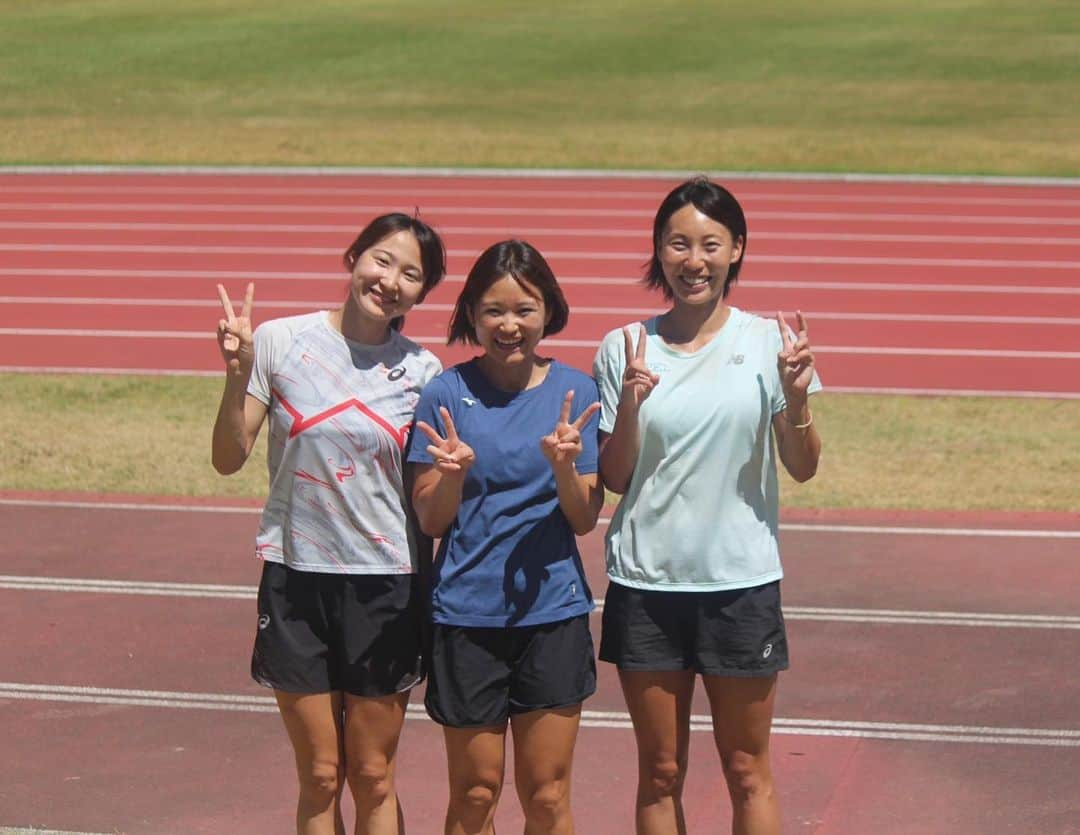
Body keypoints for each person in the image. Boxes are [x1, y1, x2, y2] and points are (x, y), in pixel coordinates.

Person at [592, 177, 822, 835]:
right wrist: (631, 404)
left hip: (739, 585)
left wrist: (797, 397)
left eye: (710, 244)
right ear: (659, 252)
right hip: (646, 585)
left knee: (748, 767)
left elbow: (803, 467)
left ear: (736, 249)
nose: (694, 260)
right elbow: (614, 476)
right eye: (678, 244)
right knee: (660, 770)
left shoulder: (767, 342)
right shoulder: (624, 346)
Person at [211, 212, 446, 835]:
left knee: (372, 774)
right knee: (319, 774)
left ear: (423, 294)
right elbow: (229, 458)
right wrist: (236, 379)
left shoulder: (425, 375)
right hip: (297, 579)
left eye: (411, 274)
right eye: (381, 259)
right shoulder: (282, 341)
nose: (389, 280)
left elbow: (432, 494)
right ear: (354, 257)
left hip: (385, 585)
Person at [406, 239, 604, 835]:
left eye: (525, 309)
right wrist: (452, 475)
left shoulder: (577, 394)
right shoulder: (445, 393)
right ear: (470, 314)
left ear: (549, 312)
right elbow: (431, 521)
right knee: (474, 791)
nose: (509, 325)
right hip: (467, 616)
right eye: (493, 310)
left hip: (551, 615)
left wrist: (566, 468)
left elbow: (584, 517)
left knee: (546, 795)